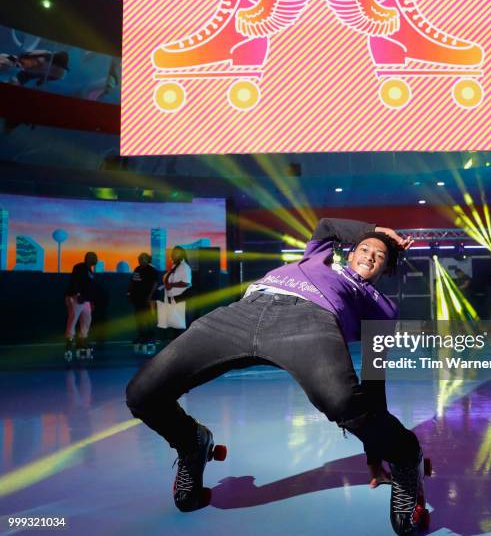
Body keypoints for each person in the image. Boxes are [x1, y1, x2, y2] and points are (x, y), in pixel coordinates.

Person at [126, 218, 427, 535]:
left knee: (344, 402)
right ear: (350, 253)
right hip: (246, 310)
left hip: (311, 319)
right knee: (142, 394)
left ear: (387, 268)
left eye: (379, 256)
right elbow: (326, 227)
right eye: (364, 248)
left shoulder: (381, 306)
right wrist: (379, 232)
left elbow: (373, 376)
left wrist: (377, 450)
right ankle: (192, 443)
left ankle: (408, 457)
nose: (368, 255)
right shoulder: (316, 257)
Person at [65, 251, 98, 357]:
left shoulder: (90, 271)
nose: (95, 259)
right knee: (73, 320)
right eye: (93, 257)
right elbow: (75, 281)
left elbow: (90, 287)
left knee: (87, 320)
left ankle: (81, 343)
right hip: (76, 298)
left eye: (95, 258)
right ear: (87, 258)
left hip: (86, 300)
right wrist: (78, 294)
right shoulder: (79, 267)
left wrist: (91, 301)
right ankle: (69, 345)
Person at [127, 253, 158, 355]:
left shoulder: (152, 270)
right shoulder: (137, 269)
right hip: (138, 299)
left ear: (148, 260)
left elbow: (155, 284)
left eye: (143, 259)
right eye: (139, 259)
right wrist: (129, 292)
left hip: (148, 299)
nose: (140, 260)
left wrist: (150, 296)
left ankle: (151, 338)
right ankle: (142, 336)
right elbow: (133, 281)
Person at [157, 246, 192, 338]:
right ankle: (176, 346)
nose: (174, 254)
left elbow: (186, 283)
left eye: (177, 253)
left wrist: (171, 285)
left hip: (180, 298)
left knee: (180, 326)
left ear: (182, 254)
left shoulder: (184, 267)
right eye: (174, 252)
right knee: (175, 324)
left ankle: (182, 348)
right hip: (172, 299)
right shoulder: (175, 266)